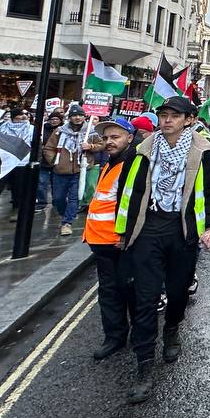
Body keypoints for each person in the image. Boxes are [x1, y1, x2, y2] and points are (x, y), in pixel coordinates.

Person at [118, 96, 210, 405]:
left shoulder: (205, 152)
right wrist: (122, 231)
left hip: (182, 232)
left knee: (179, 292)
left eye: (174, 116)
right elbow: (128, 191)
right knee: (144, 298)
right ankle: (143, 369)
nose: (167, 120)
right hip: (147, 229)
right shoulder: (141, 150)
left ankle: (172, 327)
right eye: (163, 115)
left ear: (189, 119)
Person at [81, 117, 140, 362]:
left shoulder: (131, 163)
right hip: (100, 240)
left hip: (118, 242)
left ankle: (138, 335)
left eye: (115, 137)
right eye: (105, 138)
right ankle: (114, 336)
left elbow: (133, 204)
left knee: (130, 290)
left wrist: (124, 235)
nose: (108, 142)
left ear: (129, 137)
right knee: (109, 292)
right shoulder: (111, 162)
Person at [43, 105, 93, 236]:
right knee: (58, 198)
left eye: (80, 115)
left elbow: (101, 144)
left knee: (74, 198)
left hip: (79, 170)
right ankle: (65, 214)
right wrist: (54, 161)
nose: (78, 118)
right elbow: (48, 148)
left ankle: (67, 223)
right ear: (70, 117)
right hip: (60, 171)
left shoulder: (89, 131)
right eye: (75, 115)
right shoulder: (59, 131)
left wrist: (90, 146)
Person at [0, 108, 34, 207]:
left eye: (21, 118)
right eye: (17, 119)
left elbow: (35, 145)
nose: (19, 121)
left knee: (18, 186)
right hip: (5, 161)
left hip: (22, 162)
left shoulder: (31, 129)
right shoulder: (2, 128)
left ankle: (17, 207)